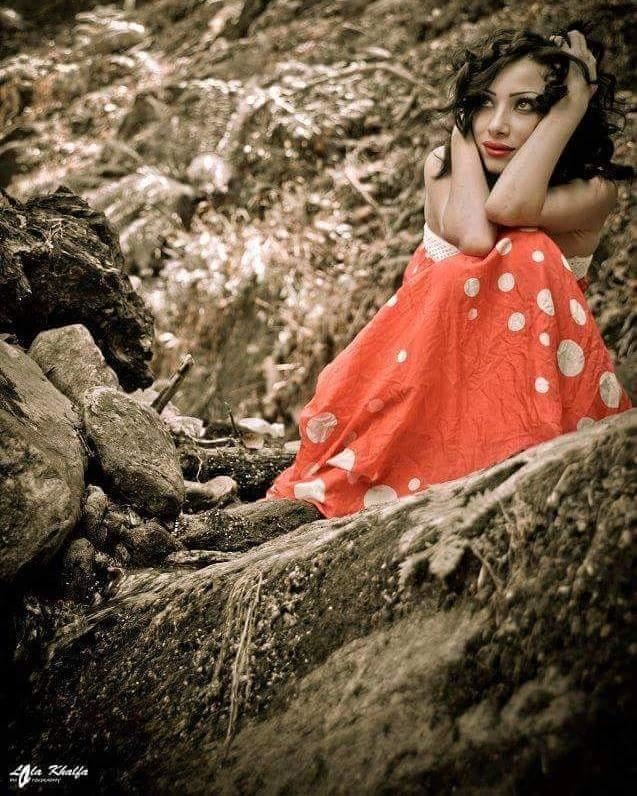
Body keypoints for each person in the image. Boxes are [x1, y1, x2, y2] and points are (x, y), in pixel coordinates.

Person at [265, 24, 633, 519]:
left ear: (557, 115)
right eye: (483, 103)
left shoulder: (594, 190)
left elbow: (509, 208)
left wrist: (570, 109)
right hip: (425, 381)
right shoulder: (444, 165)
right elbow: (476, 238)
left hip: (529, 390)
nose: (496, 125)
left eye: (525, 105)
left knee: (528, 249)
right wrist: (461, 137)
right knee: (512, 249)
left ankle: (512, 455)